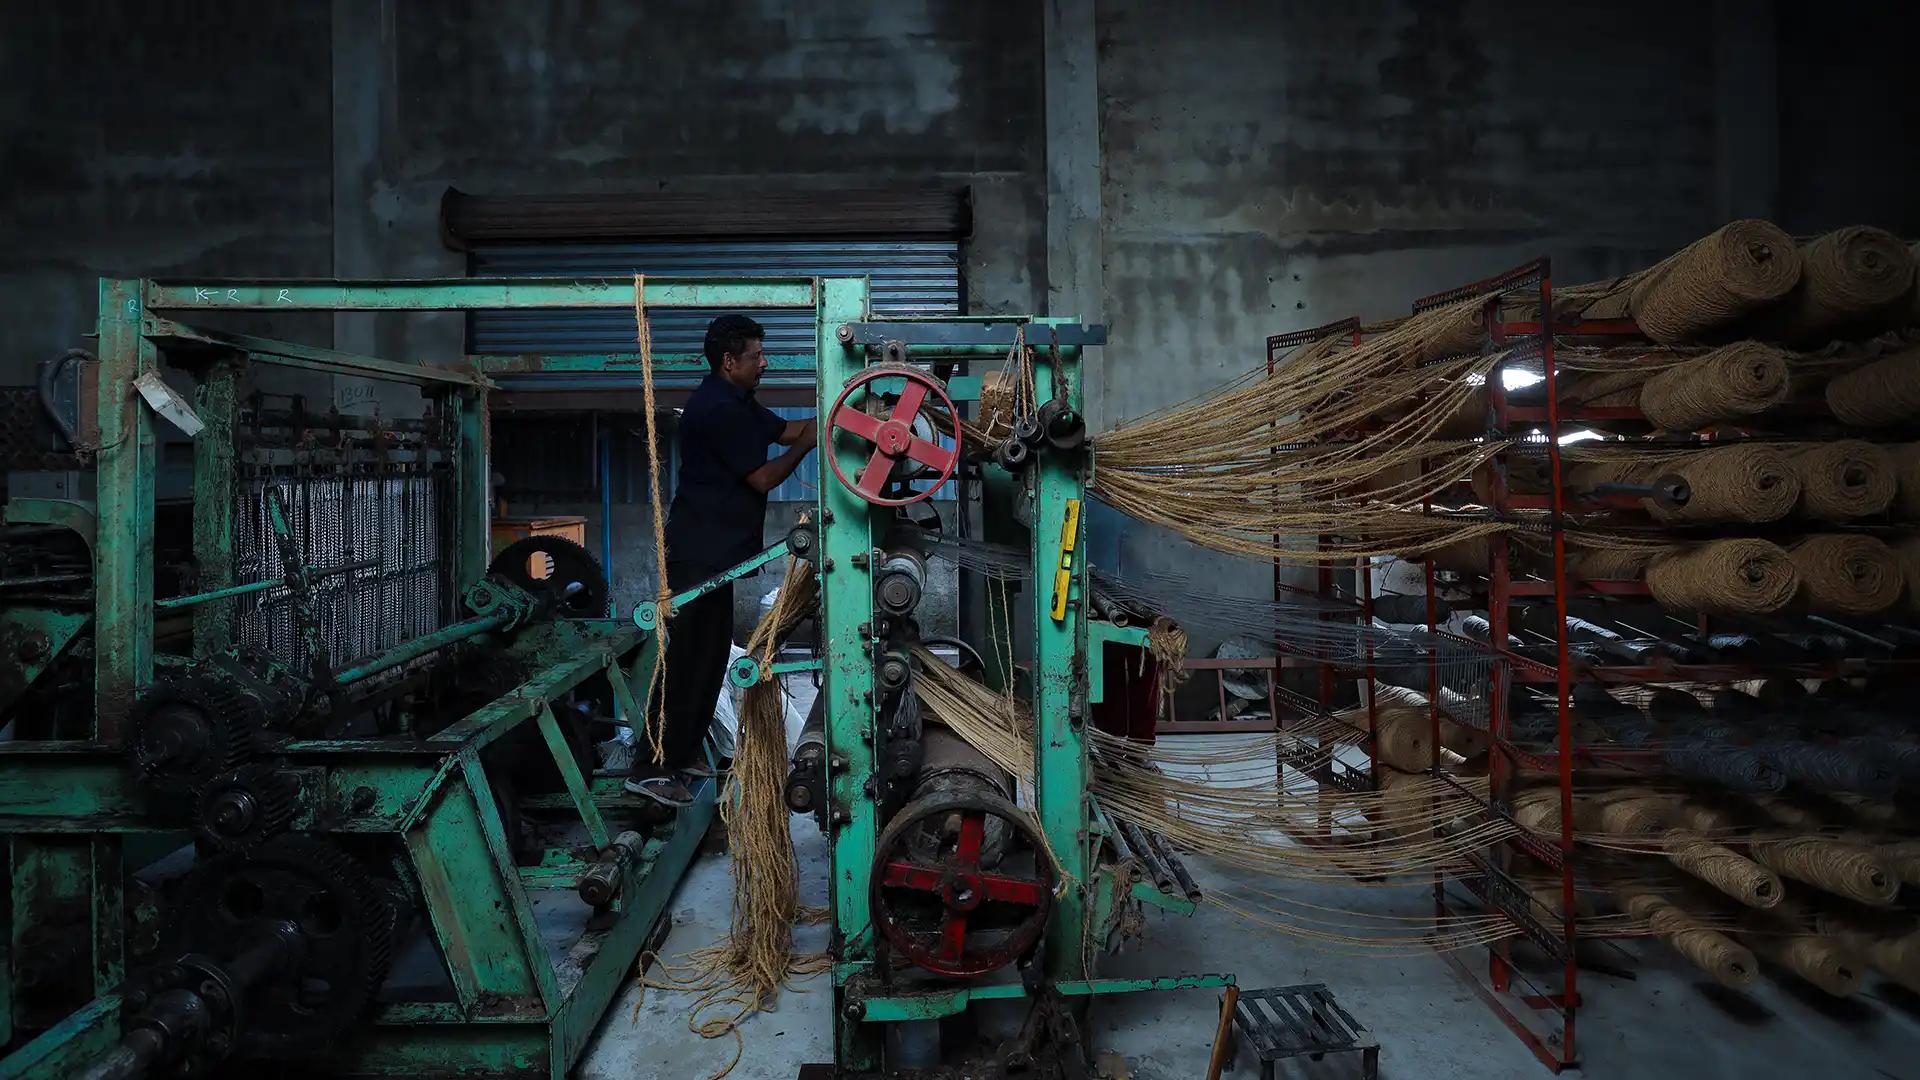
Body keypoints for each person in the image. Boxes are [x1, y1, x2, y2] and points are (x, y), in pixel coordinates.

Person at [626, 314, 816, 807]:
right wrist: (813, 442)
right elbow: (764, 479)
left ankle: (682, 749)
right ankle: (651, 765)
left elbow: (785, 429)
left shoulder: (738, 401)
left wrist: (834, 417)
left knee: (709, 655)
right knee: (688, 655)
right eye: (756, 355)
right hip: (699, 550)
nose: (764, 362)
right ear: (730, 361)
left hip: (719, 552)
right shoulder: (716, 410)